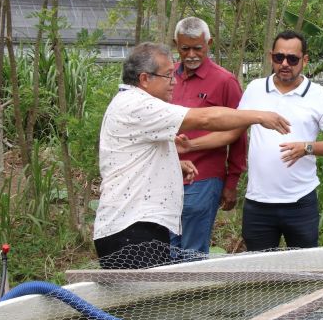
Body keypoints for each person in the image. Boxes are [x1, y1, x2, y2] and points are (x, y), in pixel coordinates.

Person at [93, 42, 290, 268]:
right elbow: (205, 119)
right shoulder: (137, 105)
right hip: (131, 232)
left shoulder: (131, 103)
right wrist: (257, 116)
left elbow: (138, 157)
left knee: (151, 300)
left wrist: (173, 166)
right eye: (168, 76)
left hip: (138, 229)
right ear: (145, 79)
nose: (174, 82)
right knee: (144, 302)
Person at [237, 30, 323, 251]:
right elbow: (234, 129)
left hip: (300, 202)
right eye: (279, 57)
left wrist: (307, 148)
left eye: (292, 59)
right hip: (258, 202)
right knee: (258, 270)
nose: (285, 64)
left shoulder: (319, 96)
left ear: (305, 60)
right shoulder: (255, 89)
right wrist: (195, 143)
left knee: (304, 269)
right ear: (271, 57)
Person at [168, 17, 246, 254]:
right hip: (166, 176)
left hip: (203, 178)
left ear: (209, 43)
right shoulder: (166, 77)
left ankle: (190, 292)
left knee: (192, 250)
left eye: (197, 48)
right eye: (185, 48)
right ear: (176, 44)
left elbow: (239, 135)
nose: (191, 54)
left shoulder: (225, 81)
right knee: (165, 247)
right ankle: (169, 292)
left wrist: (231, 181)